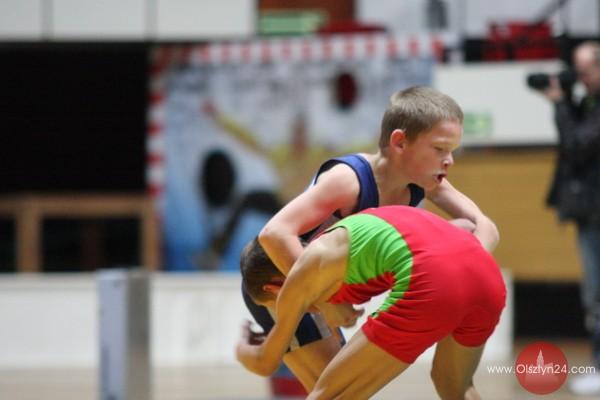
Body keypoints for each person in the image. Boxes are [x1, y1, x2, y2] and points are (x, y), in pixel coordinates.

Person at [241, 86, 499, 390]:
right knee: (335, 392)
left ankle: (255, 351)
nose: (449, 160)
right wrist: (324, 301)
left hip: (321, 281)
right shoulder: (348, 180)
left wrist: (464, 264)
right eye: (440, 149)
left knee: (338, 390)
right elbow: (274, 234)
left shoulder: (423, 180)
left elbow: (485, 226)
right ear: (400, 142)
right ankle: (250, 351)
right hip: (280, 279)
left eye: (452, 150)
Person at [237, 205, 506, 399]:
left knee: (327, 395)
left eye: (277, 304)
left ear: (276, 287)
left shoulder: (302, 274)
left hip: (432, 283)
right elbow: (464, 229)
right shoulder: (338, 237)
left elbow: (267, 361)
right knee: (454, 387)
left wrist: (241, 347)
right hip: (486, 277)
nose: (305, 311)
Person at [539, 40, 600, 396]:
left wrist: (561, 104)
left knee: (597, 294)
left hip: (597, 214)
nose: (580, 79)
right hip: (590, 213)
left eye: (585, 72)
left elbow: (577, 146)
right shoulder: (588, 103)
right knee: (594, 294)